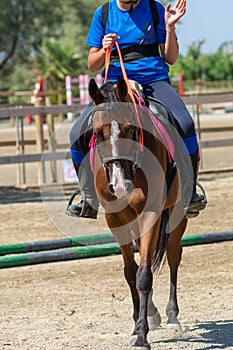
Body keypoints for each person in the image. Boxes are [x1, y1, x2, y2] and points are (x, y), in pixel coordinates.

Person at [66, 0, 207, 219]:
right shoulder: (103, 14)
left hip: (155, 81)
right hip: (113, 85)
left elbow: (171, 58)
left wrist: (170, 27)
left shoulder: (155, 9)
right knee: (76, 133)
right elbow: (92, 65)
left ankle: (189, 193)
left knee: (186, 124)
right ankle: (88, 198)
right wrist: (104, 50)